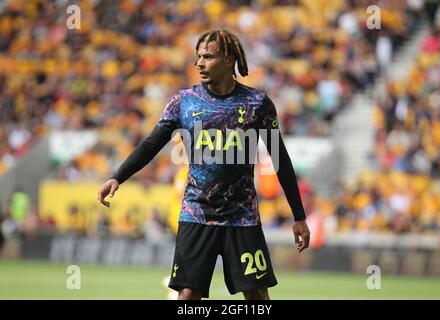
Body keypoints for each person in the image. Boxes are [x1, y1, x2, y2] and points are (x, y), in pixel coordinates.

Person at [97, 29, 311, 300]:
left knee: (257, 296)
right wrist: (118, 176)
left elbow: (281, 161)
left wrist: (299, 216)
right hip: (196, 212)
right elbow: (151, 144)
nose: (199, 63)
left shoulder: (258, 104)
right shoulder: (183, 101)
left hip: (242, 217)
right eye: (198, 56)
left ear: (229, 59)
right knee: (187, 296)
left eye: (208, 57)